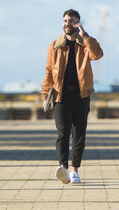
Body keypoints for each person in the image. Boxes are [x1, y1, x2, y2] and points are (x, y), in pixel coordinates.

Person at [41, 9, 104, 184]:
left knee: (79, 133)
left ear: (78, 24)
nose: (67, 24)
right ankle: (63, 167)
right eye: (65, 21)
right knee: (63, 133)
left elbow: (97, 55)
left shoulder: (85, 44)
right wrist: (45, 94)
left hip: (81, 95)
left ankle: (75, 169)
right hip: (61, 96)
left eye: (72, 21)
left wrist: (85, 36)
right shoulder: (54, 46)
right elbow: (48, 72)